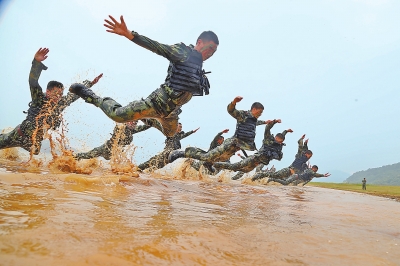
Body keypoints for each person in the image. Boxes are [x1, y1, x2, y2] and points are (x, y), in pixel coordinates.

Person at [69, 15, 218, 138]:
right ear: (199, 42)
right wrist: (130, 35)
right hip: (156, 103)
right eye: (209, 48)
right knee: (117, 116)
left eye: (214, 51)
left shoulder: (198, 66)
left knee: (171, 133)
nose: (211, 53)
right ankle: (89, 95)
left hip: (171, 112)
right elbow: (157, 47)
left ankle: (150, 120)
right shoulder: (183, 52)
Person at [0, 48, 102, 155]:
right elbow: (33, 81)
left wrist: (90, 84)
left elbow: (74, 95)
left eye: (60, 94)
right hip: (19, 135)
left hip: (33, 143)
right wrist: (36, 62)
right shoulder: (39, 98)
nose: (58, 97)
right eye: (55, 93)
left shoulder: (60, 104)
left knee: (35, 153)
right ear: (48, 92)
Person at [168, 97, 267, 172]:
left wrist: (266, 122)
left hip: (236, 147)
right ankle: (181, 153)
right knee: (207, 156)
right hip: (231, 143)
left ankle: (208, 164)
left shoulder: (253, 120)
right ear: (254, 109)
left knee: (221, 159)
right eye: (260, 112)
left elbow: (255, 124)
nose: (260, 114)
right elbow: (231, 111)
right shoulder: (244, 115)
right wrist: (234, 102)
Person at [213, 119, 292, 174]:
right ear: (276, 138)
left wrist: (286, 131)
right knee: (235, 166)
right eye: (278, 141)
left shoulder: (278, 145)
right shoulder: (268, 139)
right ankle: (213, 164)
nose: (279, 142)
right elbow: (267, 128)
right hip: (254, 158)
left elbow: (282, 136)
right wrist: (274, 121)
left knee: (244, 171)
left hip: (257, 163)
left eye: (281, 142)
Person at [74, 121, 153, 160]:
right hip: (105, 149)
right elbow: (119, 122)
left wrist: (154, 121)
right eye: (131, 122)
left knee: (119, 168)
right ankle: (70, 158)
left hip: (115, 154)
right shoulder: (121, 126)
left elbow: (145, 126)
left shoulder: (132, 130)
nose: (133, 124)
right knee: (85, 156)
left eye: (135, 123)